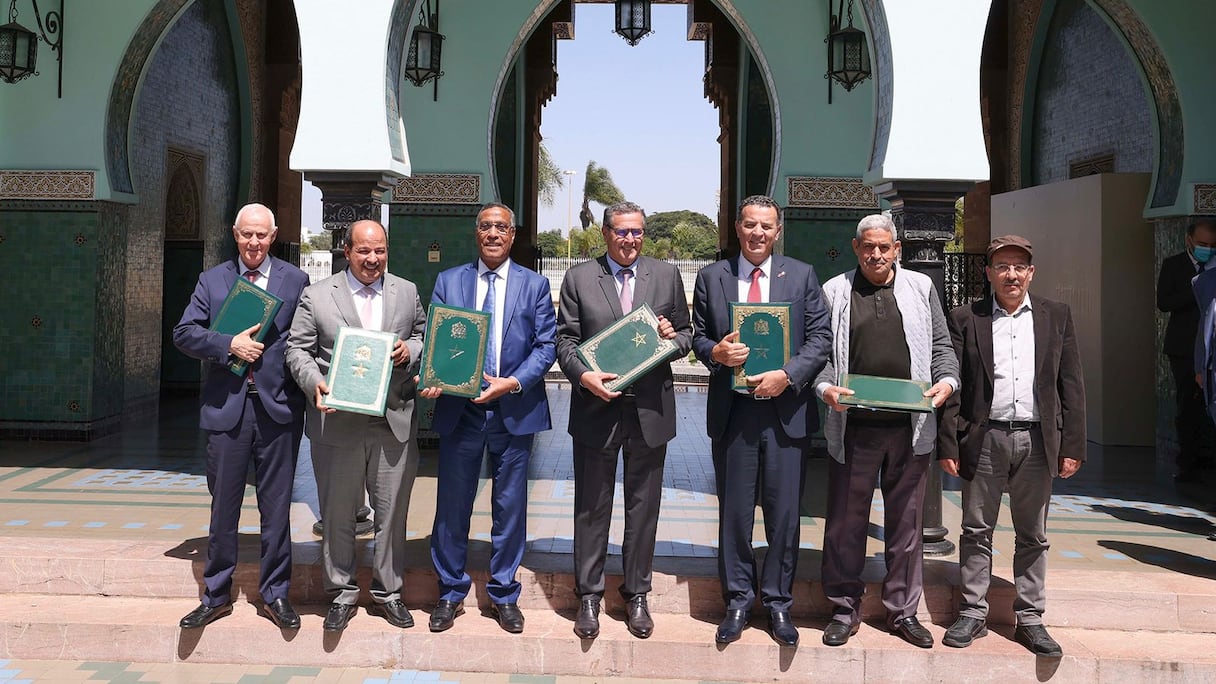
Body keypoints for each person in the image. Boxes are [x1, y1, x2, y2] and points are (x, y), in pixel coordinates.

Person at [691, 195, 832, 647]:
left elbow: (820, 338)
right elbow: (697, 334)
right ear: (737, 227)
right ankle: (736, 600)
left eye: (766, 226)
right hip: (734, 415)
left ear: (778, 230)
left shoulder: (803, 275)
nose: (757, 233)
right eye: (750, 224)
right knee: (734, 514)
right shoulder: (713, 277)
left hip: (785, 413)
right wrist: (715, 351)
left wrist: (786, 376)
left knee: (784, 515)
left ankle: (777, 603)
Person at [938, 235, 1086, 657]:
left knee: (1033, 534)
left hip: (1038, 440)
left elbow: (1071, 384)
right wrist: (950, 442)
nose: (1011, 274)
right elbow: (954, 386)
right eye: (1002, 266)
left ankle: (1032, 618)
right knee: (976, 528)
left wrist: (1071, 443)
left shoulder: (1055, 316)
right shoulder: (967, 317)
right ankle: (971, 612)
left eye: (1019, 266)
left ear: (1031, 272)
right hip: (986, 438)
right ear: (988, 273)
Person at [816, 213, 959, 649]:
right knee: (845, 523)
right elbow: (819, 352)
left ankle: (903, 611)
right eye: (867, 247)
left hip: (908, 429)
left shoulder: (921, 288)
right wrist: (825, 387)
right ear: (856, 248)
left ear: (897, 248)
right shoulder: (835, 291)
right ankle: (844, 607)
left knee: (906, 526)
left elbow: (941, 346)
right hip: (854, 427)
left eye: (884, 247)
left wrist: (947, 382)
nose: (876, 254)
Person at [555, 201, 693, 640]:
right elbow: (566, 340)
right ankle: (589, 597)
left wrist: (674, 338)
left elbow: (688, 334)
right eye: (622, 232)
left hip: (650, 410)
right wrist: (583, 375)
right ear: (605, 234)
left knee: (643, 509)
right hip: (598, 409)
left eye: (637, 232)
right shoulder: (579, 277)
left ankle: (636, 594)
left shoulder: (666, 275)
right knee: (592, 508)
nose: (630, 240)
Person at [172, 203, 310, 630]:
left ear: (274, 235)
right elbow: (184, 332)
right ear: (235, 233)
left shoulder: (296, 280)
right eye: (246, 235)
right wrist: (227, 343)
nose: (254, 243)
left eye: (262, 236)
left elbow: (306, 338)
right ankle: (216, 595)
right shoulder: (211, 280)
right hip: (227, 409)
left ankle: (275, 594)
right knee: (224, 507)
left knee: (276, 508)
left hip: (277, 409)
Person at [421, 203, 556, 634]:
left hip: (513, 409)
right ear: (476, 233)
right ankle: (450, 592)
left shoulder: (534, 285)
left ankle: (503, 592)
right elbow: (435, 338)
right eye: (486, 227)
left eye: (502, 227)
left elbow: (546, 346)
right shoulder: (449, 280)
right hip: (460, 411)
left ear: (512, 235)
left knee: (509, 506)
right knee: (452, 506)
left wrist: (512, 383)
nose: (494, 234)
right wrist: (435, 374)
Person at [286, 219, 426, 632]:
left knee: (391, 513)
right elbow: (298, 349)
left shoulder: (406, 292)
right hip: (338, 421)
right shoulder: (316, 295)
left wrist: (410, 350)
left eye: (380, 250)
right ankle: (341, 593)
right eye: (364, 251)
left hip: (392, 420)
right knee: (338, 514)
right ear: (346, 251)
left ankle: (389, 592)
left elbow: (422, 334)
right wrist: (315, 383)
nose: (373, 259)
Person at [1158, 218, 1216, 482]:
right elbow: (1164, 302)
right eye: (1202, 244)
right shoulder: (1174, 265)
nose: (1207, 249)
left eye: (1212, 245)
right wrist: (1197, 288)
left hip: (1210, 349)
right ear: (1189, 240)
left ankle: (1208, 458)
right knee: (1187, 403)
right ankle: (1188, 462)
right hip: (1183, 347)